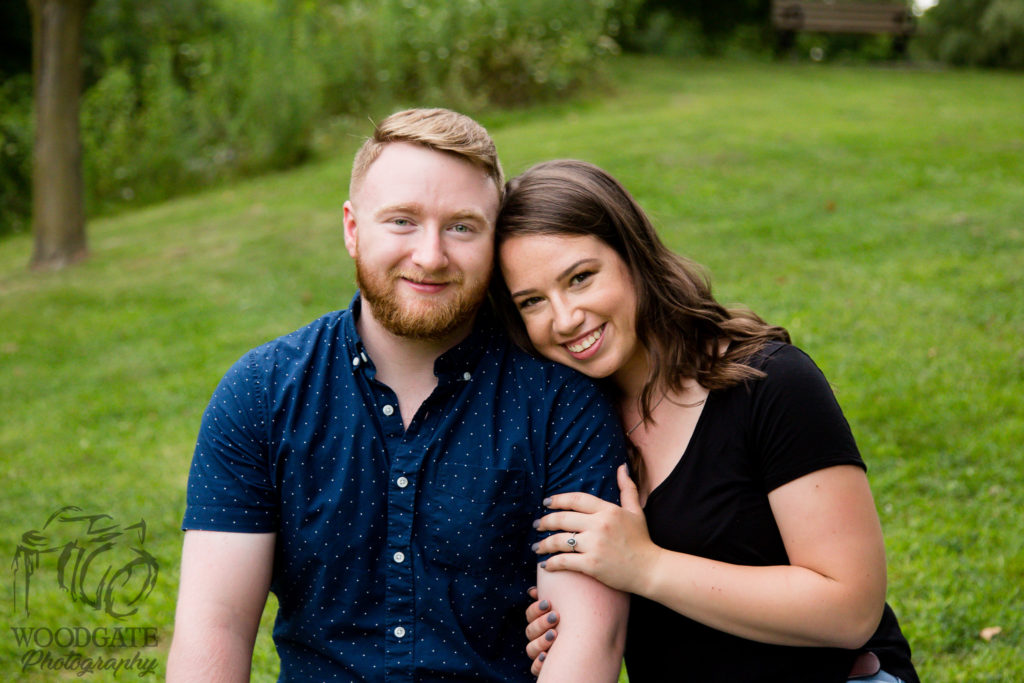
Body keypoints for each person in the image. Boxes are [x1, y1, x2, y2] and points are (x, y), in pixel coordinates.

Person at [166, 111, 629, 682]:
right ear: (353, 228)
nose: (431, 256)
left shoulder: (559, 405)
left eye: (462, 227)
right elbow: (214, 626)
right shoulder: (262, 394)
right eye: (403, 221)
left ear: (494, 241)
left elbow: (586, 642)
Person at [493, 159, 919, 683]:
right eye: (532, 301)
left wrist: (645, 566)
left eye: (580, 278)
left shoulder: (770, 383)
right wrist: (563, 623)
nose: (564, 318)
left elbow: (850, 610)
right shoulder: (572, 427)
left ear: (632, 256)